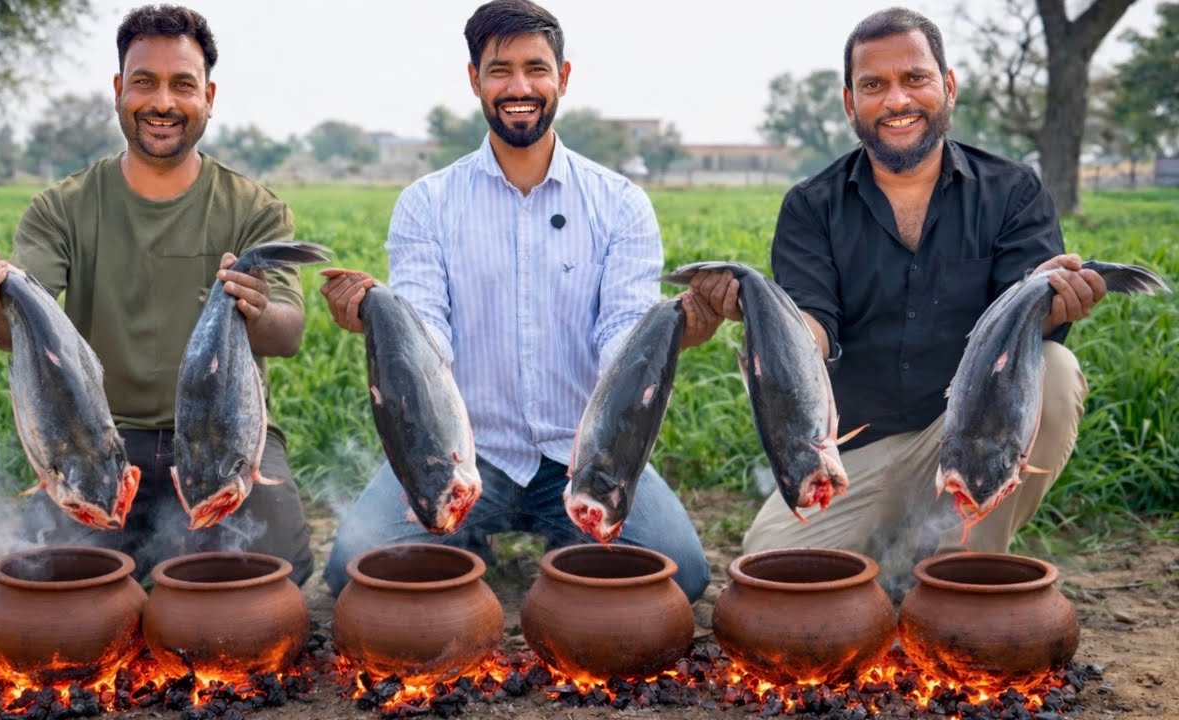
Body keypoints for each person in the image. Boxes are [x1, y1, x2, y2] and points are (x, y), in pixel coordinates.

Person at [689, 7, 1108, 592]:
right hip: (857, 448)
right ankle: (891, 559)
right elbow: (814, 327)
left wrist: (1057, 300)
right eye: (874, 85)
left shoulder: (1013, 191)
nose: (896, 100)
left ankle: (961, 575)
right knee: (771, 573)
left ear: (947, 86)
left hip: (965, 429)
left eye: (914, 78)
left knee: (1056, 371)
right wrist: (770, 325)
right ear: (849, 102)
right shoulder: (811, 206)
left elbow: (1027, 326)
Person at [320, 0, 719, 602]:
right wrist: (382, 319)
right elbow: (428, 336)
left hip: (584, 455)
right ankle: (473, 539)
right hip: (457, 454)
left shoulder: (619, 203)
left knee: (681, 573)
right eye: (500, 69)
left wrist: (665, 336)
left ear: (563, 77)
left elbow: (622, 335)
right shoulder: (427, 204)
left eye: (536, 68)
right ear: (475, 79)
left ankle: (566, 540)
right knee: (352, 567)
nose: (519, 87)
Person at [0, 5, 314, 585]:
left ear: (209, 95)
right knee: (45, 584)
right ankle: (147, 559)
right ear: (120, 90)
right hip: (97, 437)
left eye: (182, 85)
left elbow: (288, 334)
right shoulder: (61, 208)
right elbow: (13, 330)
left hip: (224, 435)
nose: (162, 102)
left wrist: (255, 306)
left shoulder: (255, 209)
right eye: (144, 82)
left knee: (271, 575)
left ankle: (160, 562)